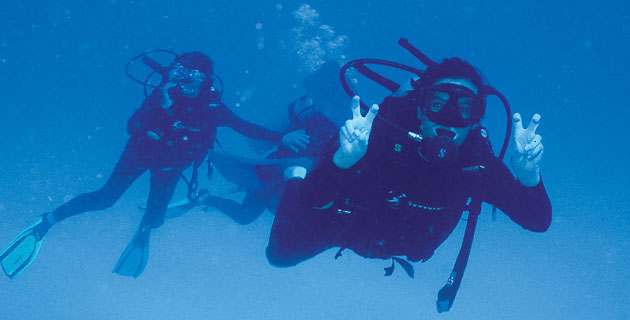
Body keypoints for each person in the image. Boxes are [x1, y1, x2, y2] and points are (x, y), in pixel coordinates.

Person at [0, 51, 307, 279]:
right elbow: (132, 125)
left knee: (155, 216)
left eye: (195, 78)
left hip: (171, 166)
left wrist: (284, 135)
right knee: (106, 198)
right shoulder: (163, 96)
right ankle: (46, 222)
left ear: (206, 81)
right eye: (182, 74)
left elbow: (245, 127)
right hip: (141, 155)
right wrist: (159, 116)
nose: (186, 83)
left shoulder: (212, 108)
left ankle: (143, 234)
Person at [266, 57, 551, 281]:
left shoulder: (476, 163)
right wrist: (343, 161)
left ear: (476, 120)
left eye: (465, 108)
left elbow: (537, 221)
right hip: (347, 229)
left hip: (403, 245)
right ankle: (296, 172)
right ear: (419, 109)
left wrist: (529, 179)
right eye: (437, 104)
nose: (450, 118)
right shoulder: (381, 137)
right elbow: (313, 200)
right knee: (279, 253)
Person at [165, 61, 347, 225]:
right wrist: (285, 138)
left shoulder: (344, 118)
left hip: (304, 175)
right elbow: (262, 139)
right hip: (274, 171)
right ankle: (207, 197)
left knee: (287, 212)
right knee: (246, 216)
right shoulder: (305, 108)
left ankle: (243, 185)